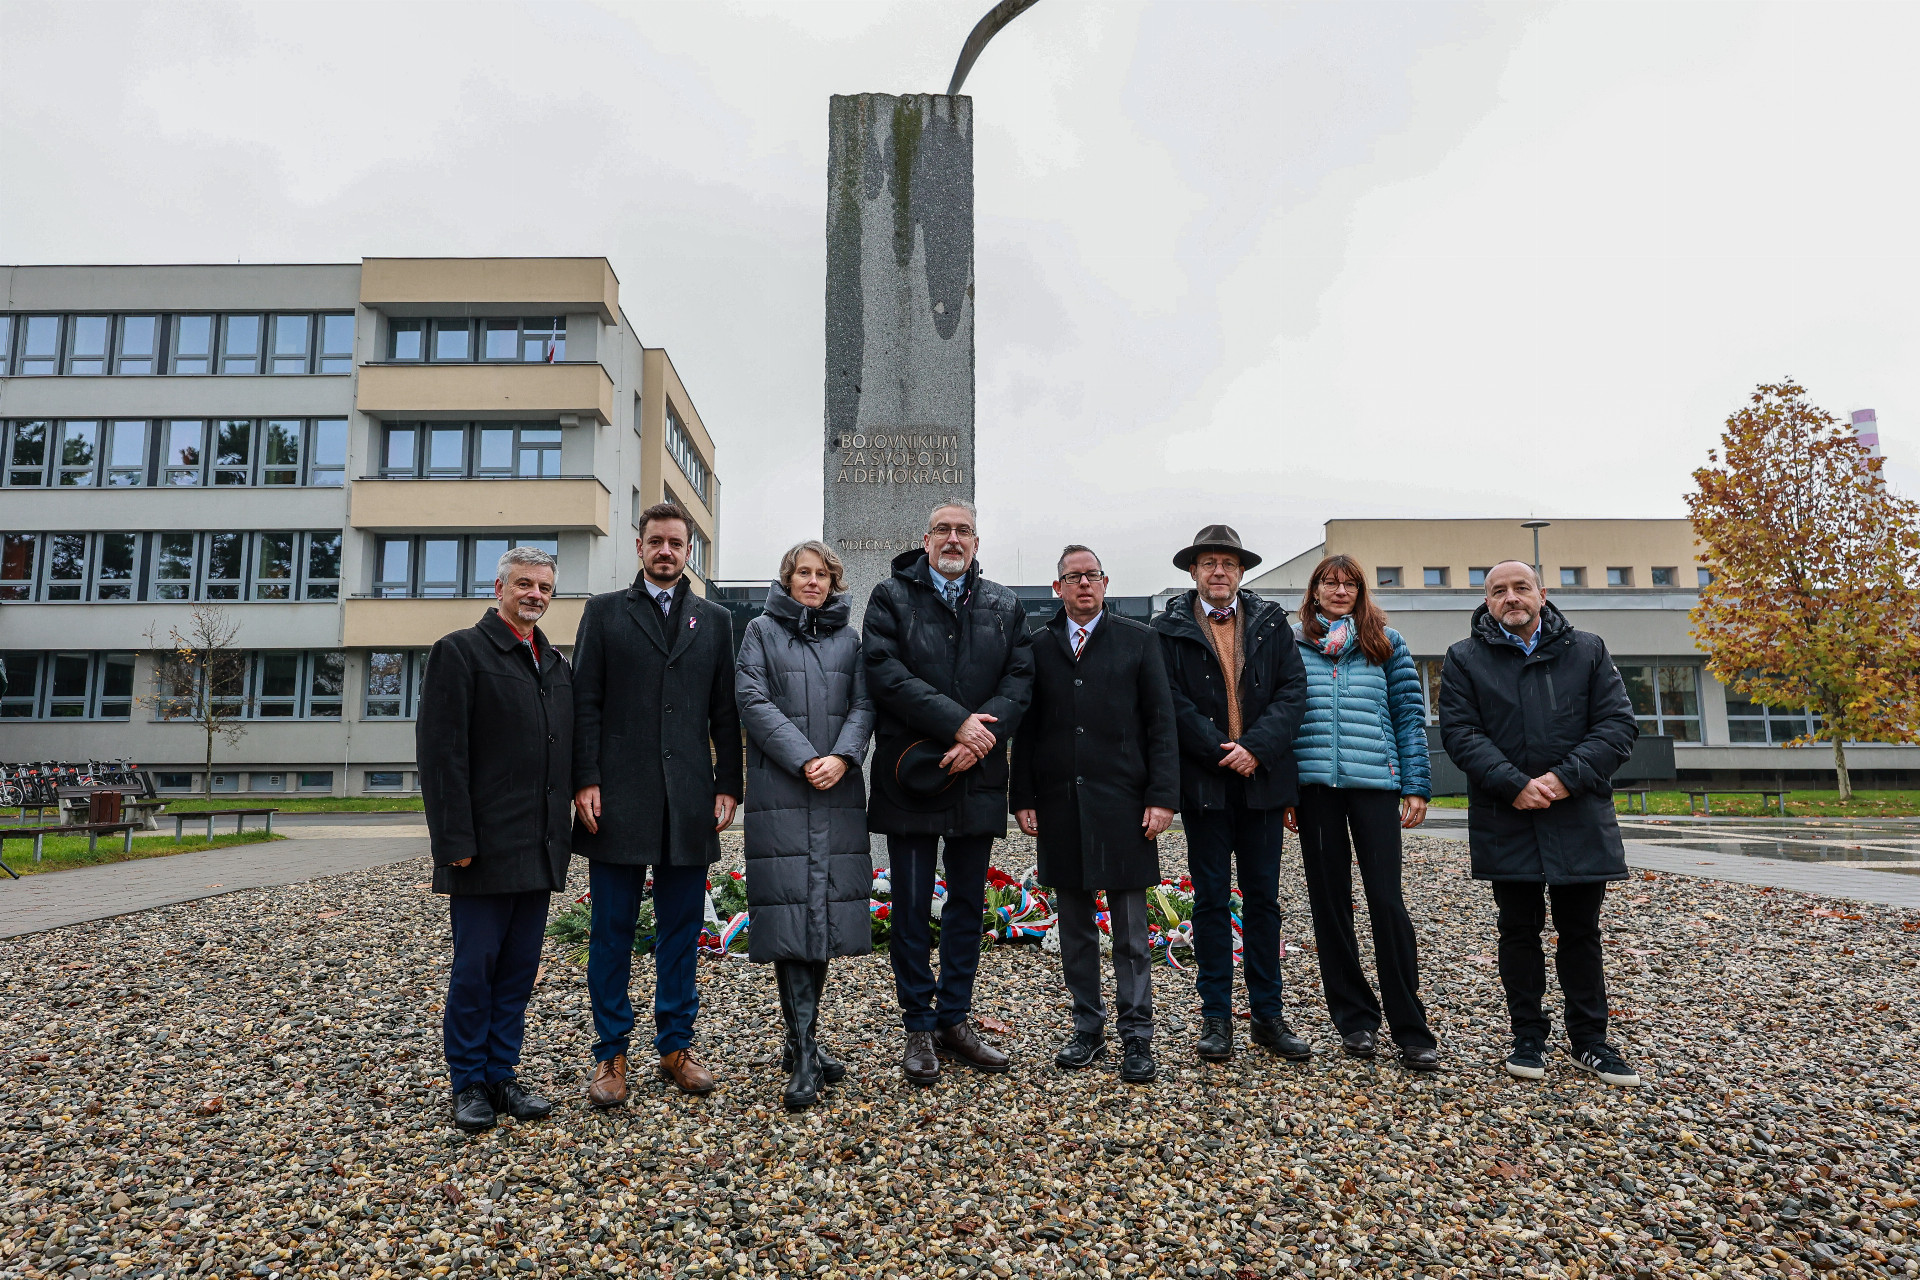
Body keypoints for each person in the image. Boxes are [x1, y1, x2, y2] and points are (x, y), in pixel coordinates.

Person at [1437, 560, 1641, 1086]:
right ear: (1487, 602)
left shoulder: (1587, 650)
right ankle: (1527, 1036)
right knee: (1518, 930)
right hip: (1506, 817)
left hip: (1578, 813)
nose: (1511, 598)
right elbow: (1460, 733)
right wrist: (1513, 784)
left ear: (1542, 594)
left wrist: (1564, 779)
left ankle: (1590, 1041)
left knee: (1581, 931)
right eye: (1498, 591)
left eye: (1520, 587)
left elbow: (1617, 725)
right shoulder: (1464, 659)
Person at [572, 502, 744, 1103]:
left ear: (688, 550)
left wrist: (729, 784)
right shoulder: (604, 613)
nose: (665, 551)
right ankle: (611, 1054)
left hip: (689, 797)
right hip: (617, 797)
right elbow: (585, 701)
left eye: (675, 542)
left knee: (680, 929)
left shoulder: (715, 620)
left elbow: (725, 711)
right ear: (640, 546)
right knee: (611, 931)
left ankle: (675, 1046)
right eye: (656, 541)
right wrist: (584, 777)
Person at [864, 498, 1034, 1085]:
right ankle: (918, 1023)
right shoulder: (891, 597)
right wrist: (956, 724)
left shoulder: (1004, 604)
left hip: (977, 775)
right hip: (913, 773)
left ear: (977, 543)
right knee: (911, 905)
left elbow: (1020, 680)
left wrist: (979, 739)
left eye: (964, 530)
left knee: (966, 904)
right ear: (927, 539)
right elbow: (884, 672)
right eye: (943, 530)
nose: (954, 538)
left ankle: (954, 1019)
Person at [416, 546, 573, 1133]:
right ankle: (468, 1082)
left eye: (544, 587)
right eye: (525, 584)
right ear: (500, 587)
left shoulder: (554, 664)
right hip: (482, 848)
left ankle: (502, 1072)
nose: (535, 595)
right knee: (475, 969)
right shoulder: (460, 652)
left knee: (518, 970)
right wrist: (452, 838)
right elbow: (441, 753)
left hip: (539, 846)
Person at [1011, 545, 1178, 1085]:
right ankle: (1087, 1027)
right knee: (1076, 929)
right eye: (1073, 577)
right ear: (1057, 587)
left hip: (1125, 804)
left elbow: (1161, 724)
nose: (1084, 584)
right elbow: (1027, 729)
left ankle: (1137, 1035)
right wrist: (1023, 796)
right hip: (1060, 804)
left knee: (1130, 933)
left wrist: (1162, 797)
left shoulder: (1139, 640)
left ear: (1105, 583)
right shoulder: (1037, 646)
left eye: (1092, 576)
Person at [1151, 524, 1310, 1063]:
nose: (1219, 571)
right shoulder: (1167, 628)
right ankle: (1216, 1018)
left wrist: (1255, 748)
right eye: (1209, 563)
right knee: (1211, 901)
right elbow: (1168, 700)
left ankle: (1268, 1016)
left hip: (1263, 782)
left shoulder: (1273, 623)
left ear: (1242, 572)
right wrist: (1221, 749)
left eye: (1228, 563)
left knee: (1263, 901)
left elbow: (1293, 692)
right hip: (1206, 784)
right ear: (1193, 571)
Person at [734, 540, 876, 1110]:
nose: (812, 582)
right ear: (788, 579)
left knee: (819, 914)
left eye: (822, 575)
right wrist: (805, 758)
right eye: (803, 573)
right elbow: (751, 699)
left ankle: (802, 1043)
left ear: (832, 583)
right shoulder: (760, 632)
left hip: (836, 790)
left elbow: (865, 705)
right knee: (792, 912)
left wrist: (842, 757)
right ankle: (805, 1050)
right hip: (784, 790)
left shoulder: (850, 639)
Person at [1284, 554, 1439, 1071]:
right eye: (1330, 583)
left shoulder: (1386, 643)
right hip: (1314, 790)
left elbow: (1409, 717)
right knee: (1329, 905)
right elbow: (1281, 717)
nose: (1340, 591)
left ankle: (1410, 1027)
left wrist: (1416, 785)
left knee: (1386, 901)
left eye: (1350, 584)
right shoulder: (1292, 644)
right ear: (1315, 590)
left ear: (1361, 591)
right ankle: (1355, 1020)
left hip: (1375, 785)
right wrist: (1285, 791)